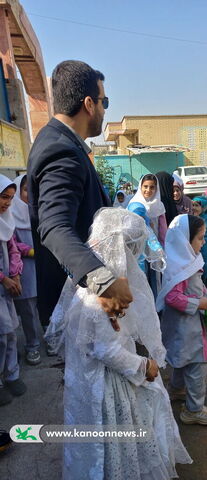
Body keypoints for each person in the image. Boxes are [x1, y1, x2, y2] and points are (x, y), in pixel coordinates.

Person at [45, 208, 192, 479]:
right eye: (133, 250)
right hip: (105, 384)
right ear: (121, 249)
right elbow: (104, 348)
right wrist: (144, 365)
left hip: (94, 379)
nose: (135, 258)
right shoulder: (96, 296)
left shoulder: (96, 283)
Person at [27, 61, 132, 341]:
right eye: (103, 101)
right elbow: (54, 227)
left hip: (87, 302)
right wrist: (103, 282)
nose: (104, 108)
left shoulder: (60, 142)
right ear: (88, 104)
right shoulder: (61, 151)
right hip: (78, 303)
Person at [156, 214, 207, 425]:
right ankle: (194, 410)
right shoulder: (179, 267)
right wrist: (198, 303)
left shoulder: (184, 259)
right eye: (200, 238)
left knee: (181, 358)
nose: (203, 243)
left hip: (185, 328)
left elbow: (193, 285)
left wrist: (205, 295)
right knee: (198, 365)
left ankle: (176, 390)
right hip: (188, 327)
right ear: (185, 240)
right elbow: (172, 297)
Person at [0, 175, 27, 406]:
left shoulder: (6, 221)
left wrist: (15, 273)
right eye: (3, 197)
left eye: (10, 198)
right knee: (2, 335)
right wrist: (3, 279)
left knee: (10, 333)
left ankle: (12, 374)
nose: (7, 203)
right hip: (2, 286)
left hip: (6, 290)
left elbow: (13, 249)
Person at [11, 174, 42, 365]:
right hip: (24, 269)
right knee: (28, 310)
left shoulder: (38, 213)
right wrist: (30, 251)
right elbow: (11, 243)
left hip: (42, 267)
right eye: (25, 190)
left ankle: (51, 338)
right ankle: (32, 346)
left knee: (47, 306)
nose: (29, 195)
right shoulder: (10, 215)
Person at [128, 174, 167, 246]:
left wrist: (162, 246)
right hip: (138, 244)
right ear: (140, 187)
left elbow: (163, 229)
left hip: (155, 244)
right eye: (145, 186)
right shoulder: (134, 204)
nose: (148, 190)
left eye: (152, 187)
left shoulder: (159, 205)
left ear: (156, 189)